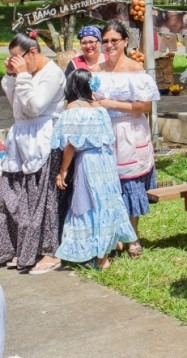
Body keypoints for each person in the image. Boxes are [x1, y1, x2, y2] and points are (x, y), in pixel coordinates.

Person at [52, 69, 138, 270]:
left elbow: (71, 145)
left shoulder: (72, 109)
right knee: (107, 202)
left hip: (88, 163)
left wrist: (62, 171)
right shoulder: (99, 109)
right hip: (106, 161)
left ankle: (100, 258)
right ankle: (109, 248)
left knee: (88, 204)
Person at [0, 31, 66, 274]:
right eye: (10, 59)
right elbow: (16, 102)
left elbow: (36, 106)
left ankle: (48, 252)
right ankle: (20, 248)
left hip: (43, 138)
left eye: (17, 57)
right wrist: (11, 76)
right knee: (12, 195)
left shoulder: (52, 73)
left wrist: (24, 76)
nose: (14, 62)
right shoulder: (23, 73)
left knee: (41, 201)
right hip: (21, 137)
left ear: (33, 52)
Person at [93, 21, 160, 259]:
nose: (109, 45)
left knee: (130, 184)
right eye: (106, 41)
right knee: (108, 185)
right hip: (104, 132)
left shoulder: (135, 69)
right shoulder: (97, 70)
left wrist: (110, 104)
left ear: (124, 42)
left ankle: (132, 235)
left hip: (130, 131)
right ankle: (112, 237)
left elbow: (145, 107)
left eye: (114, 40)